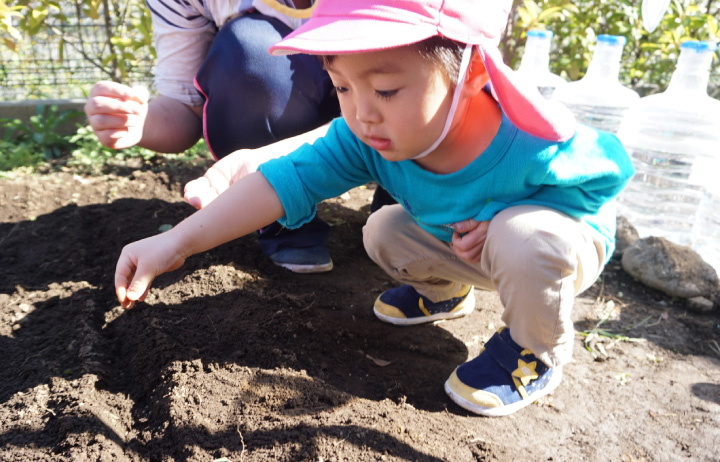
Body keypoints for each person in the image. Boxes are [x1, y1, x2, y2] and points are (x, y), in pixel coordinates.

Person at [112, 0, 635, 417]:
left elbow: (609, 178)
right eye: (342, 86)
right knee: (383, 229)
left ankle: (534, 352)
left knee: (526, 238)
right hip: (462, 243)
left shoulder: (532, 139)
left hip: (556, 246)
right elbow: (279, 183)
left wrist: (507, 215)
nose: (361, 112)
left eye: (385, 89)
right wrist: (174, 241)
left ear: (471, 68)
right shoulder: (365, 136)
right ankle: (444, 291)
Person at [84, 0, 349, 273]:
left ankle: (394, 200)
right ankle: (284, 222)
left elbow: (365, 125)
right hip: (361, 120)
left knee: (387, 232)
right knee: (250, 47)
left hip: (379, 114)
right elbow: (185, 106)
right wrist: (141, 123)